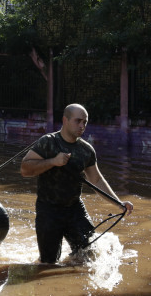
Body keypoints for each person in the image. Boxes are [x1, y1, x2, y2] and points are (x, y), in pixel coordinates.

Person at [20, 103, 134, 264]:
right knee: (48, 263)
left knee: (89, 255)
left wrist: (119, 203)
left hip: (75, 210)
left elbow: (97, 180)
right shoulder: (47, 142)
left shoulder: (86, 150)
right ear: (65, 120)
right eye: (78, 121)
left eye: (85, 122)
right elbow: (25, 169)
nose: (82, 126)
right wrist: (53, 161)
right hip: (48, 210)